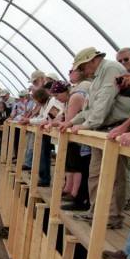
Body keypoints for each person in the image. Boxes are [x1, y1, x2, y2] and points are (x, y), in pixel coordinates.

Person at [59, 47, 130, 229]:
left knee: (115, 175)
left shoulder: (110, 69)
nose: (83, 71)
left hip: (116, 127)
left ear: (93, 61)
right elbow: (88, 109)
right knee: (96, 173)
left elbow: (104, 102)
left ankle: (112, 216)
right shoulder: (94, 80)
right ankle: (95, 211)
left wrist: (86, 125)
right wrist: (72, 123)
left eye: (83, 67)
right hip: (102, 128)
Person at [48, 78, 91, 211]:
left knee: (79, 167)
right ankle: (72, 193)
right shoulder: (68, 100)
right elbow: (64, 119)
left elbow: (68, 120)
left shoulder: (74, 97)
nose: (56, 99)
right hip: (76, 140)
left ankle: (76, 196)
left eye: (57, 95)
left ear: (64, 91)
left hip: (80, 141)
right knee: (73, 165)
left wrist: (55, 123)